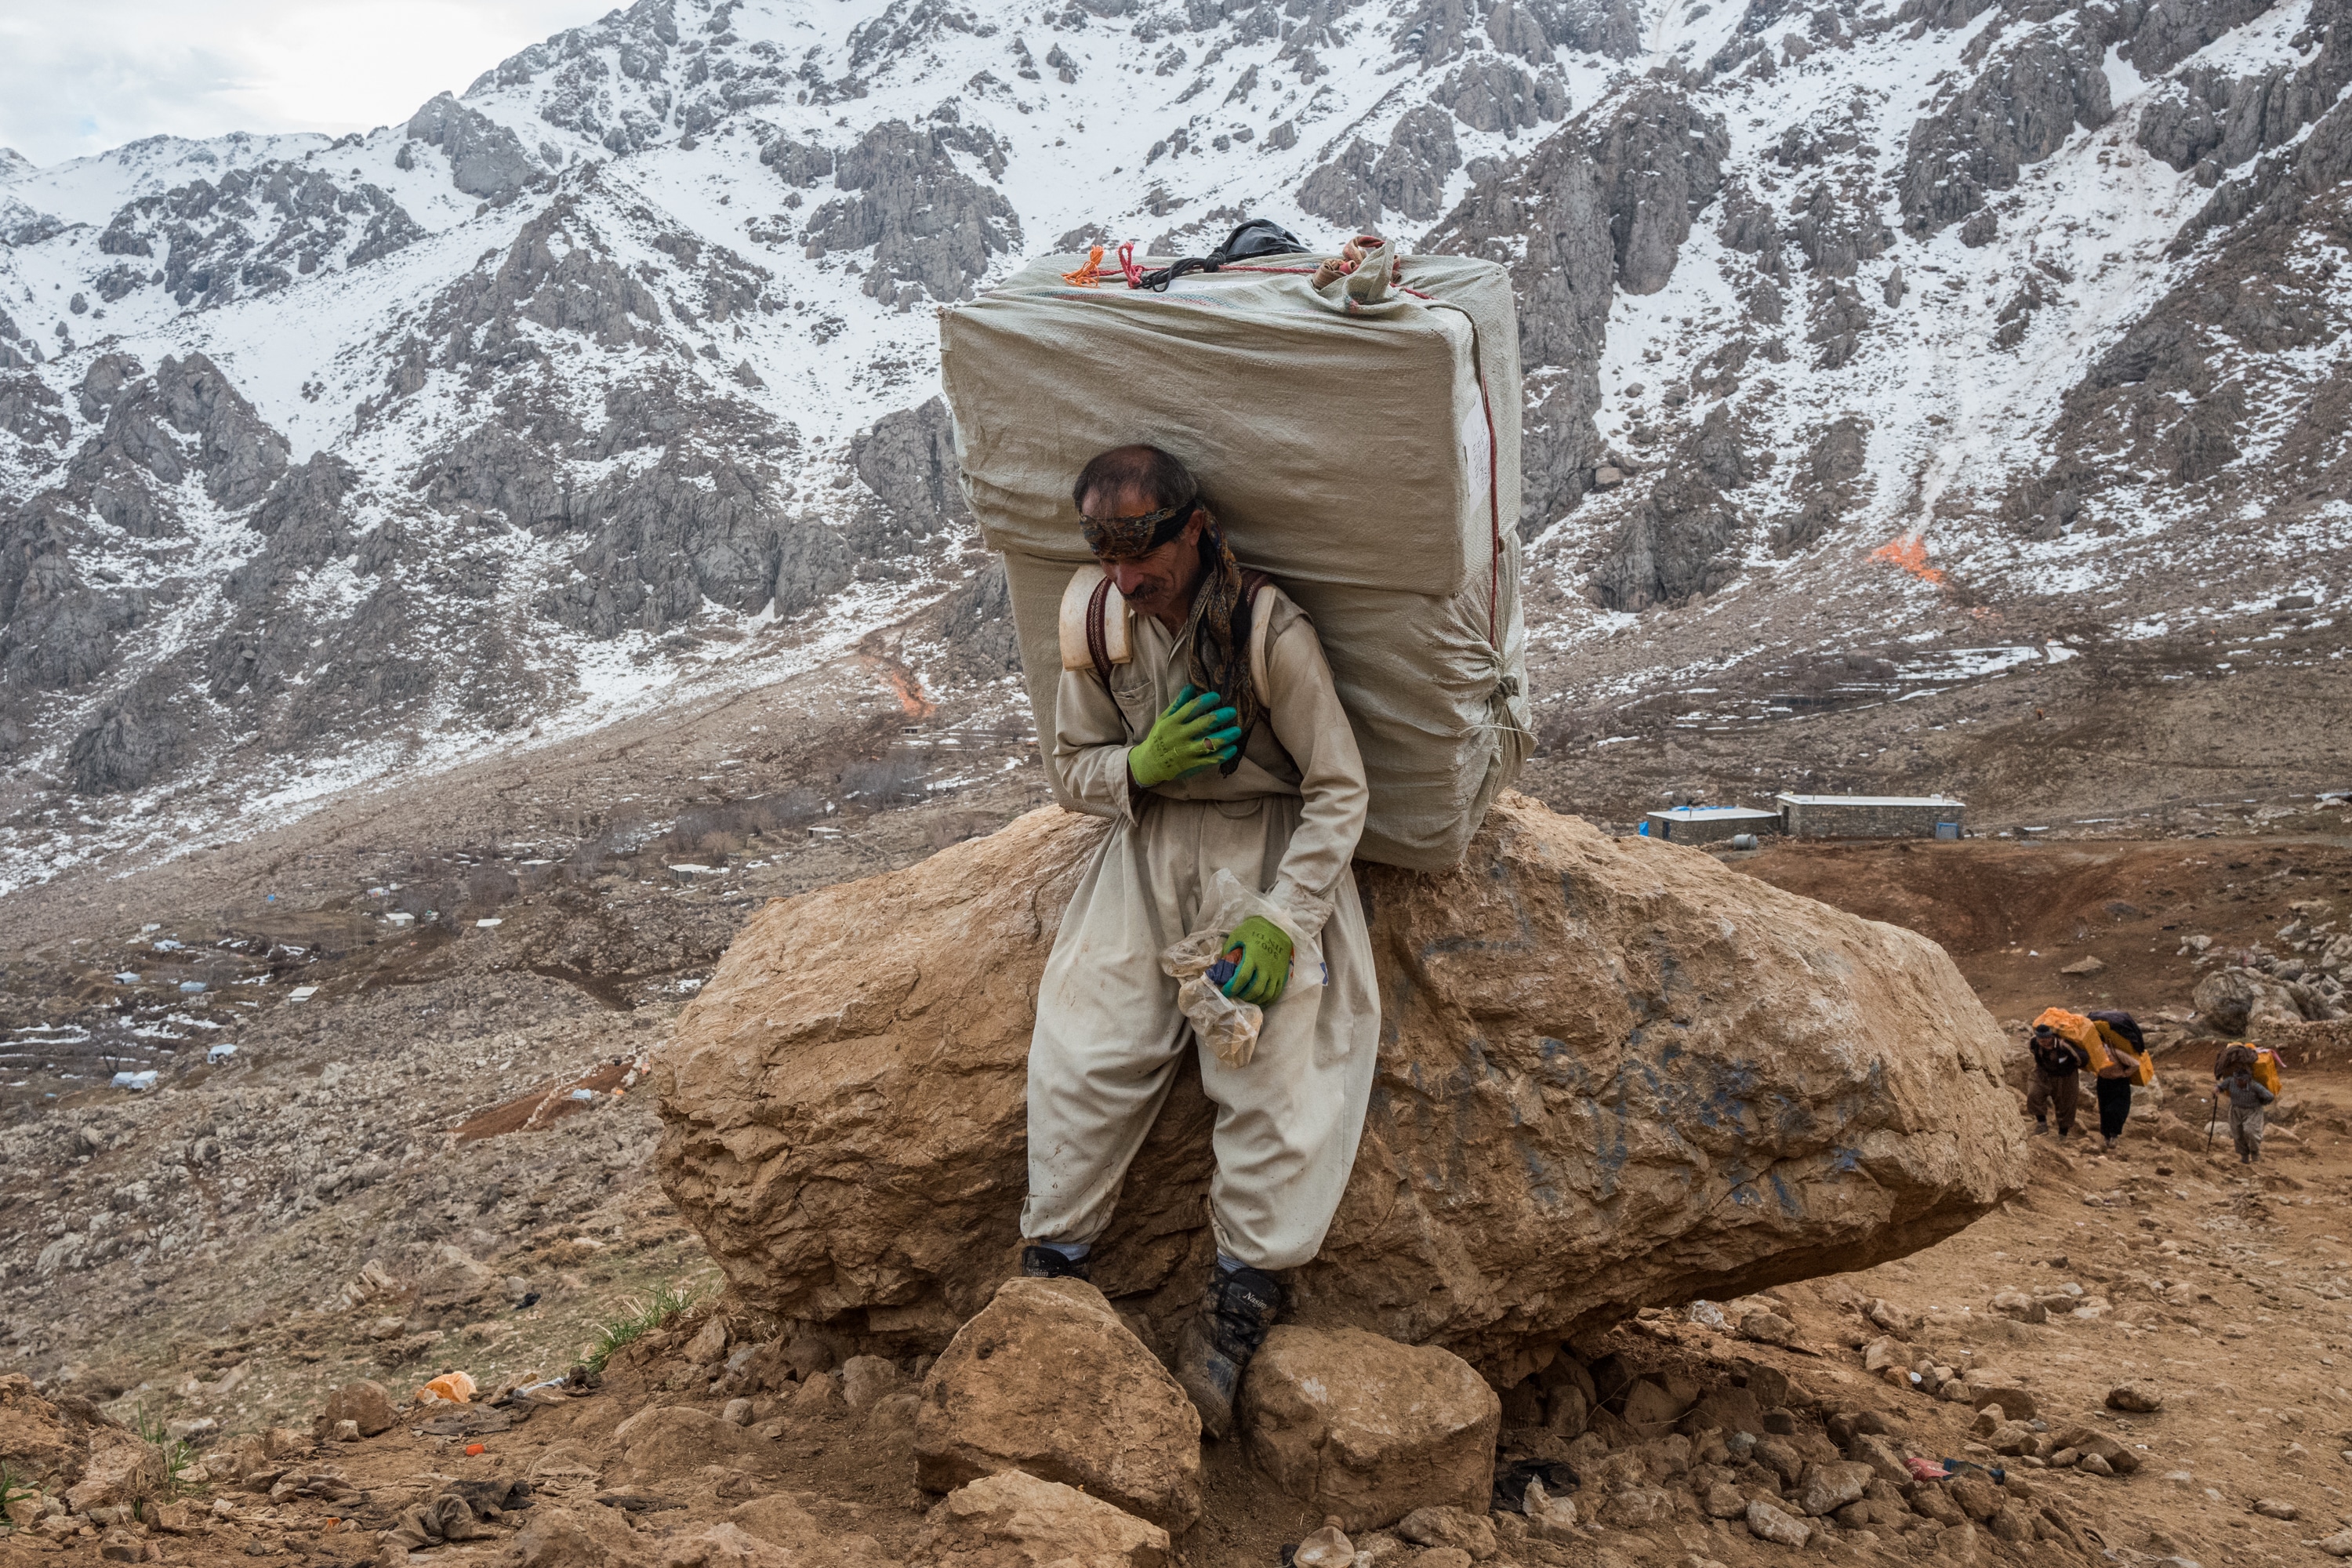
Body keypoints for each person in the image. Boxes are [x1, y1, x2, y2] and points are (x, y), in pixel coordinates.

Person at [1018, 444, 1380, 1437]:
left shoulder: (1268, 629)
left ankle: (1236, 1309)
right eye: (1108, 553)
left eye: (1144, 550)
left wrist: (1284, 916)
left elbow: (1339, 788)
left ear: (1196, 529)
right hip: (1146, 848)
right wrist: (1139, 764)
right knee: (1082, 1046)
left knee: (1274, 1064)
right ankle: (1051, 1270)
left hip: (1264, 850)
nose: (1128, 575)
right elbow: (1072, 769)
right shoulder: (1098, 623)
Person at [2085, 1008, 2148, 1154]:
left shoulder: (2115, 1052)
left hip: (2119, 1084)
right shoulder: (2095, 1053)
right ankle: (2106, 1136)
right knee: (2104, 1110)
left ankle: (2114, 1135)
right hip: (2104, 1083)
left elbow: (2135, 1064)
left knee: (2116, 1110)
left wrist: (2125, 1074)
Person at [2025, 1022, 2089, 1138]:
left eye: (2047, 1039)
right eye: (2041, 1040)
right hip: (2042, 1072)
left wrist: (2067, 1065)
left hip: (2065, 1076)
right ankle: (2041, 1124)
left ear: (2052, 1036)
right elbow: (2033, 1051)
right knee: (2034, 1093)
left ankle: (2063, 1134)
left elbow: (2082, 1060)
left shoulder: (2064, 1046)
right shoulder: (2034, 1042)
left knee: (2066, 1103)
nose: (2044, 1042)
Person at [2214, 1046, 2275, 1163]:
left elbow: (2270, 1096)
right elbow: (2221, 1086)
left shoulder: (2255, 1086)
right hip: (2235, 1110)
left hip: (2253, 1111)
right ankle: (2244, 1157)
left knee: (2250, 1131)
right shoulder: (2231, 1081)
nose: (2238, 1082)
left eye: (2241, 1081)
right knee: (2238, 1134)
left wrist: (2261, 1103)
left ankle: (2255, 1154)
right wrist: (2217, 1089)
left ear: (2247, 1080)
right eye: (2237, 1080)